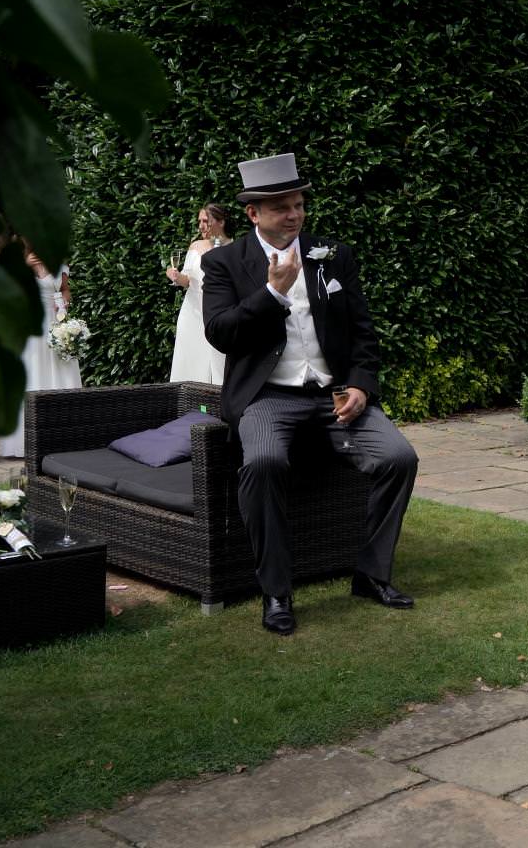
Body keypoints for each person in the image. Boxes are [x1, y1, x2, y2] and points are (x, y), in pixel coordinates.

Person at [201, 153, 418, 636]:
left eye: (299, 204)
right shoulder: (224, 262)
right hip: (266, 399)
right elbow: (220, 332)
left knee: (399, 457)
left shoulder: (333, 254)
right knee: (262, 464)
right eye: (282, 208)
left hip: (334, 396)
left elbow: (363, 333)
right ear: (254, 213)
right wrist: (272, 296)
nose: (295, 215)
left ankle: (371, 574)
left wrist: (361, 385)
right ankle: (277, 592)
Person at [0, 244, 82, 458]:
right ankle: (27, 440)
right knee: (33, 374)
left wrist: (64, 303)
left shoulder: (59, 263)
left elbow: (64, 290)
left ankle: (63, 436)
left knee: (61, 374)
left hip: (55, 326)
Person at [166, 202, 232, 384]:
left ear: (221, 222)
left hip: (218, 313)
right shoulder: (195, 246)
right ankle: (188, 403)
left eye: (206, 221)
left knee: (219, 361)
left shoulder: (232, 247)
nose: (201, 226)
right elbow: (186, 281)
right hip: (191, 313)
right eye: (199, 221)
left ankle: (220, 403)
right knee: (189, 358)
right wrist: (175, 276)